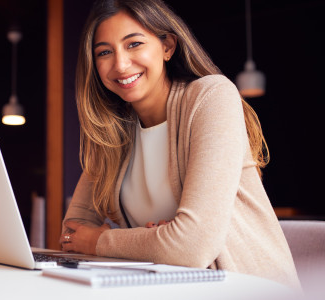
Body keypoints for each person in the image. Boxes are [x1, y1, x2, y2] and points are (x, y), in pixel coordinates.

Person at [60, 0, 300, 289]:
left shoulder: (210, 97)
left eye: (134, 44)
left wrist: (99, 240)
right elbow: (72, 233)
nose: (120, 64)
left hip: (246, 288)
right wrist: (157, 241)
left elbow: (189, 248)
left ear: (167, 46)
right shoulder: (112, 131)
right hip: (171, 288)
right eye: (104, 52)